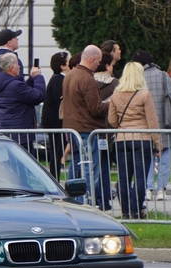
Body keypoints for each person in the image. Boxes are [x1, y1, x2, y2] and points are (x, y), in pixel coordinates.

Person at [108, 62, 160, 220]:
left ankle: (124, 211)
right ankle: (136, 210)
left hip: (122, 139)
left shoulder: (116, 93)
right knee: (140, 177)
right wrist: (158, 143)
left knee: (123, 177)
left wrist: (122, 126)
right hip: (142, 139)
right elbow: (152, 121)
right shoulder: (145, 94)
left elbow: (111, 119)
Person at [62, 45, 108, 206]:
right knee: (89, 170)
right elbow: (96, 109)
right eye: (99, 61)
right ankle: (85, 203)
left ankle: (73, 202)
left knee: (75, 169)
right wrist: (111, 103)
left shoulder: (70, 75)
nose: (99, 65)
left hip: (71, 128)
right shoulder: (87, 78)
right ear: (92, 59)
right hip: (87, 129)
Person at [132, 49, 171, 202]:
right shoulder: (164, 76)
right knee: (165, 157)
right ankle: (161, 189)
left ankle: (149, 188)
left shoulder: (137, 78)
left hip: (145, 124)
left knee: (148, 158)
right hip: (165, 122)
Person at [0, 52, 45, 154]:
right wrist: (38, 76)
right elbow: (39, 96)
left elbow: (24, 93)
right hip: (21, 134)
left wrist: (31, 79)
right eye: (17, 64)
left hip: (9, 130)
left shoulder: (2, 82)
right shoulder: (15, 86)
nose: (19, 66)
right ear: (11, 68)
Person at [93, 52, 120, 209]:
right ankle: (104, 199)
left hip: (92, 128)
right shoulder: (116, 84)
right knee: (104, 165)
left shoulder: (89, 82)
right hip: (109, 130)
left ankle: (96, 196)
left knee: (94, 165)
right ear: (108, 66)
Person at [41, 51, 70, 180]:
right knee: (56, 152)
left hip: (55, 123)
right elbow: (61, 101)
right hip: (55, 123)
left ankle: (55, 177)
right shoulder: (58, 80)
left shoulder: (60, 79)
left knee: (58, 151)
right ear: (62, 66)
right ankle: (55, 178)